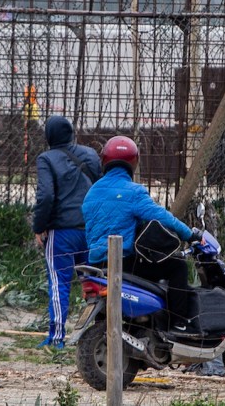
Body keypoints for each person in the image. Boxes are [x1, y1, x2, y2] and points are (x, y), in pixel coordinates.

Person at [81, 135, 202, 323]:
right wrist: (189, 234)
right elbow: (161, 216)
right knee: (177, 267)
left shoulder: (91, 192)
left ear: (104, 160)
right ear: (134, 162)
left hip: (96, 264)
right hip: (124, 262)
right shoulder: (133, 191)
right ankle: (179, 323)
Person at [32, 115, 102, 349]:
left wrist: (39, 227)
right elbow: (99, 187)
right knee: (94, 283)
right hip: (91, 231)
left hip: (61, 233)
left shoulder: (46, 159)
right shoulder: (91, 154)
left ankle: (57, 338)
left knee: (58, 282)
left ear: (49, 136)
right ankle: (97, 335)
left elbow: (46, 196)